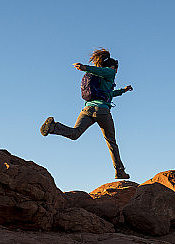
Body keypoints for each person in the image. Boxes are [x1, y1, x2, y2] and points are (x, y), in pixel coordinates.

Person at [40, 48, 133, 179]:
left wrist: (123, 90)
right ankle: (119, 171)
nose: (117, 71)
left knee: (75, 133)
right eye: (116, 68)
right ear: (112, 67)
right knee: (111, 141)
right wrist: (85, 67)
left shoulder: (100, 79)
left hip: (87, 109)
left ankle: (53, 127)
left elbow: (110, 94)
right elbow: (100, 70)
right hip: (102, 111)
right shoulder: (109, 72)